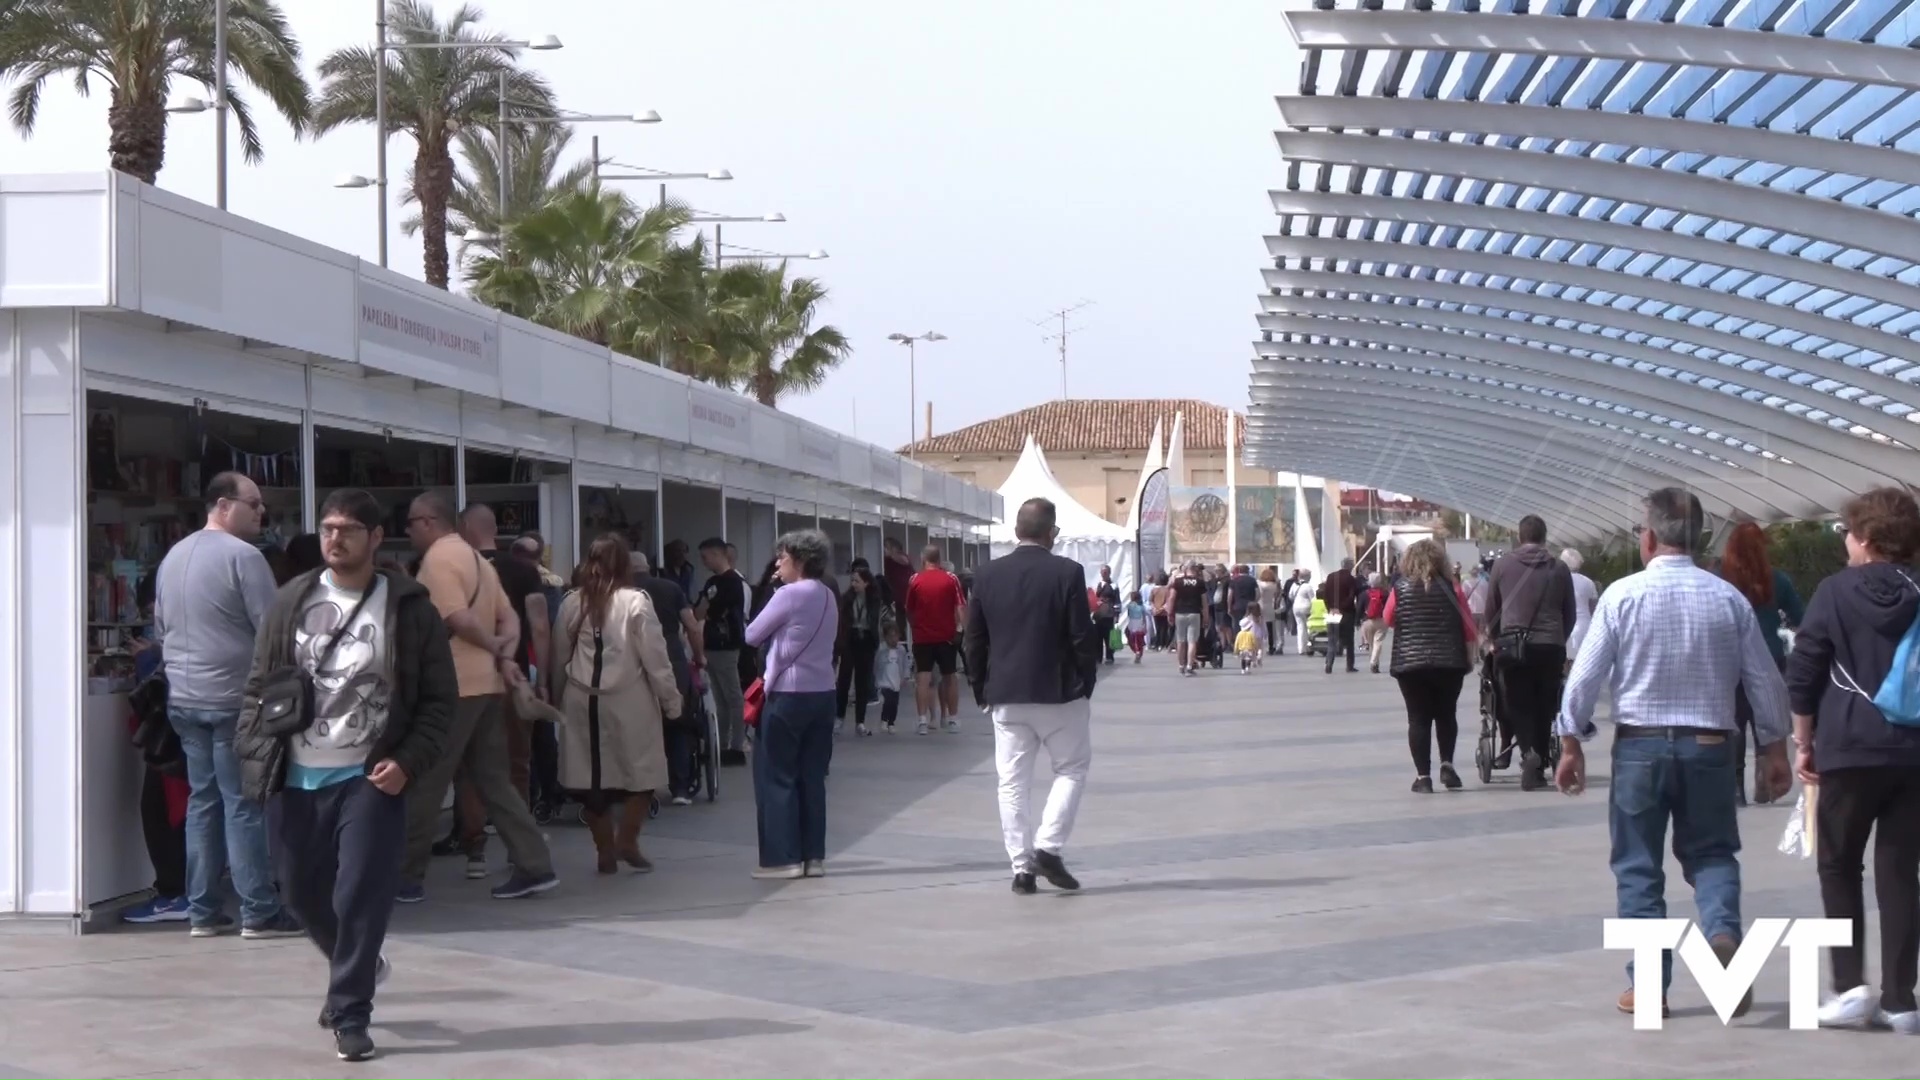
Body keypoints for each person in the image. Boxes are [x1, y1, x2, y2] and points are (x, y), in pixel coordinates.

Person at [235, 488, 458, 1063]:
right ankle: (359, 967)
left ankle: (351, 1011)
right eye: (328, 528)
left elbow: (439, 703)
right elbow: (259, 687)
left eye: (349, 529)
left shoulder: (410, 609)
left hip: (368, 777)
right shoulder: (290, 601)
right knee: (302, 895)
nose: (335, 539)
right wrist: (253, 752)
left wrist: (407, 761)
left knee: (359, 894)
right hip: (295, 773)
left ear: (376, 538)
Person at [1556, 487, 1792, 1020]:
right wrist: (1773, 748)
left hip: (1639, 745)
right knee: (1711, 853)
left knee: (1639, 866)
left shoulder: (1622, 596)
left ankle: (1650, 989)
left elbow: (1585, 677)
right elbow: (1764, 680)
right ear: (1700, 538)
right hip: (1711, 745)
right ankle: (1723, 933)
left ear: (1648, 537)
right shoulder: (1727, 598)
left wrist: (1571, 741)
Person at [1781, 488, 1920, 1030]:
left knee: (1839, 865)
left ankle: (1849, 988)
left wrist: (1803, 742)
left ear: (1864, 538)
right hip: (1914, 753)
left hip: (1846, 747)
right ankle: (1900, 999)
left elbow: (1806, 669)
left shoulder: (1835, 593)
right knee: (1900, 871)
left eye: (1847, 532)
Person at [152, 470, 302, 939]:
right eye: (253, 503)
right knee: (243, 804)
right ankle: (258, 909)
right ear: (222, 504)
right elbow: (271, 630)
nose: (262, 512)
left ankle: (202, 910)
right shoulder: (245, 557)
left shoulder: (173, 556)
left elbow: (160, 627)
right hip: (234, 698)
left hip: (185, 697)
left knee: (203, 802)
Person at [397, 491, 557, 902]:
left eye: (411, 523)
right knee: (494, 781)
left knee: (426, 780)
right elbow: (511, 617)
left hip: (453, 687)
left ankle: (404, 876)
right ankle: (534, 864)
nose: (408, 530)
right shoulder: (476, 562)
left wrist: (494, 647)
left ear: (429, 521)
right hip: (487, 687)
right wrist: (503, 652)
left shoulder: (438, 561)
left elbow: (455, 618)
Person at [964, 498, 1100, 895]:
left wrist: (980, 687)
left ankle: (1022, 868)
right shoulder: (1067, 572)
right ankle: (1048, 846)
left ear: (1017, 531)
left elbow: (974, 638)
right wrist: (1087, 681)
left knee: (1011, 782)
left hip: (1006, 693)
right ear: (1050, 532)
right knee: (1071, 768)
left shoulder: (987, 575)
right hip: (1059, 692)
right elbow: (1080, 634)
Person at [552, 536, 682, 876]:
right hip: (630, 699)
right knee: (642, 772)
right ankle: (628, 839)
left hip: (580, 699)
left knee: (590, 779)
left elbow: (558, 657)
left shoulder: (571, 602)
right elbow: (656, 658)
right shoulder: (636, 602)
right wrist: (671, 700)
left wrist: (554, 696)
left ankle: (604, 851)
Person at [450, 504, 550, 876]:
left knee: (467, 767)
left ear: (463, 528)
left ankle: (475, 851)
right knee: (517, 766)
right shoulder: (523, 571)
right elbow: (539, 626)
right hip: (512, 677)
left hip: (464, 681)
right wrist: (543, 679)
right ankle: (517, 849)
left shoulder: (452, 570)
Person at [746, 530, 840, 879]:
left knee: (776, 774)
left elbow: (751, 634)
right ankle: (813, 856)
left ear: (798, 560)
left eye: (782, 558)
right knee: (812, 776)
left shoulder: (787, 594)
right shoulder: (829, 594)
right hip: (823, 693)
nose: (778, 564)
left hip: (787, 694)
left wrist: (771, 590)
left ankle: (782, 857)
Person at [1485, 516, 1578, 791]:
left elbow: (1492, 610)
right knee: (1545, 704)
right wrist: (1558, 638)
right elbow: (1569, 613)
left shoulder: (1502, 566)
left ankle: (1528, 753)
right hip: (1550, 646)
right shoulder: (1559, 568)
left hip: (1513, 647)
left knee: (1517, 702)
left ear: (1519, 536)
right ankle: (1536, 764)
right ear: (1544, 537)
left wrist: (1492, 639)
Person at [1717, 523, 1806, 806]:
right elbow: (1800, 616)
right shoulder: (1776, 579)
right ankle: (1765, 781)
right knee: (1765, 721)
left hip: (1730, 659)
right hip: (1769, 656)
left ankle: (1734, 788)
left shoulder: (1720, 579)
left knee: (1735, 723)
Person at [1383, 540, 1475, 794]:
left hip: (1410, 665)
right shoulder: (1452, 588)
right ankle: (1447, 764)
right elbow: (1468, 626)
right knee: (1447, 714)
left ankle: (1423, 778)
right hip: (1449, 662)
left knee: (1418, 719)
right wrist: (1470, 655)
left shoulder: (1399, 588)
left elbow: (1388, 618)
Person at [632, 552, 705, 802]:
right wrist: (699, 657)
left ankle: (643, 786)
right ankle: (681, 787)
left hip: (633, 663)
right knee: (678, 722)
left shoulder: (619, 590)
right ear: (648, 567)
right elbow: (692, 625)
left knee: (639, 724)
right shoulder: (670, 588)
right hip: (672, 659)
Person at [694, 538, 750, 766]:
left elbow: (713, 609)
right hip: (712, 644)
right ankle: (723, 744)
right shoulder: (711, 582)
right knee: (720, 697)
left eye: (706, 557)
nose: (704, 562)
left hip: (727, 645)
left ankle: (736, 745)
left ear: (718, 555)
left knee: (733, 695)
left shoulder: (733, 582)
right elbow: (699, 611)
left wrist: (708, 608)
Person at [904, 545, 966, 734]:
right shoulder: (951, 579)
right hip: (946, 637)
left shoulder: (915, 579)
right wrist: (962, 629)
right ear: (939, 559)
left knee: (923, 678)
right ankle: (953, 719)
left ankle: (922, 720)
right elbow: (960, 606)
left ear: (923, 559)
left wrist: (915, 627)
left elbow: (909, 608)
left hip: (922, 637)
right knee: (950, 677)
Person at [835, 567, 883, 736]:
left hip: (867, 640)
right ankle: (839, 717)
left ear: (866, 582)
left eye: (857, 581)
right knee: (844, 679)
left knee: (863, 681)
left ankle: (860, 722)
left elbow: (875, 620)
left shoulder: (873, 600)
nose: (854, 584)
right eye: (852, 581)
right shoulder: (847, 599)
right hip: (851, 638)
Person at [1168, 561, 1209, 676]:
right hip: (1194, 613)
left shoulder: (1178, 581)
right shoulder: (1200, 583)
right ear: (1195, 569)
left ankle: (1181, 665)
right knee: (1192, 641)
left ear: (1185, 569)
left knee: (1180, 640)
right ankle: (1190, 666)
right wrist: (1206, 616)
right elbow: (1204, 601)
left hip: (1180, 613)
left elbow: (1171, 598)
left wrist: (1169, 613)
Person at [1561, 548, 1600, 667]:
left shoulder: (1560, 580)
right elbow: (1594, 608)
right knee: (1584, 663)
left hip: (1566, 625)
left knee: (1566, 663)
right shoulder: (1588, 582)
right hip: (1585, 625)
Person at [1320, 558, 1359, 674]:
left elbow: (1325, 595)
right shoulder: (1351, 579)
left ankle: (1329, 663)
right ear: (1350, 566)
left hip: (1332, 613)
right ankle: (1349, 665)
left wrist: (1330, 608)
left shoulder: (1331, 577)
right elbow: (1352, 596)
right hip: (1346, 613)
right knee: (1349, 641)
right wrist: (1342, 608)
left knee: (1332, 640)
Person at [876, 621, 910, 733]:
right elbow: (876, 664)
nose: (894, 639)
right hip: (884, 680)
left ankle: (891, 722)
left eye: (896, 636)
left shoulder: (901, 650)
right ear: (885, 637)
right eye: (891, 637)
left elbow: (905, 664)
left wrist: (905, 677)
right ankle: (884, 719)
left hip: (896, 679)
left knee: (894, 703)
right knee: (888, 700)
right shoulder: (881, 650)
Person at [1092, 566, 1122, 665]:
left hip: (1109, 613)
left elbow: (1117, 600)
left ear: (1109, 573)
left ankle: (1109, 656)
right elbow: (1096, 597)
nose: (1103, 574)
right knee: (1097, 637)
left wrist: (1117, 615)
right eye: (1102, 572)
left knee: (1108, 636)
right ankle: (1098, 657)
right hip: (1099, 614)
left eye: (1105, 572)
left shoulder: (1114, 585)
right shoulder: (1100, 584)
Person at [1362, 572, 1390, 674]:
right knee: (1378, 642)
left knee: (1371, 644)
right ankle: (1374, 663)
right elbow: (1389, 607)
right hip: (1381, 620)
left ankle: (1374, 663)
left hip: (1368, 621)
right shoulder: (1385, 593)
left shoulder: (1365, 593)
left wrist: (1358, 620)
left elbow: (1360, 607)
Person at [1257, 567, 1281, 655]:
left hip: (1261, 605)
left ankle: (1260, 645)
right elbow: (1277, 595)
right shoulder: (1274, 585)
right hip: (1270, 606)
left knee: (1260, 626)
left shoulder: (1260, 584)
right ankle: (1271, 646)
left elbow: (1258, 594)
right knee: (1270, 628)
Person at [1290, 570, 1314, 655]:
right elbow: (1312, 599)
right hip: (1306, 607)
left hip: (1296, 607)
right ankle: (1308, 647)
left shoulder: (1294, 585)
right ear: (1307, 577)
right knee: (1308, 627)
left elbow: (1291, 596)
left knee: (1300, 628)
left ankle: (1301, 649)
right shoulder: (1308, 586)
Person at [1123, 589, 1150, 664]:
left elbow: (1129, 615)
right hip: (1140, 623)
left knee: (1131, 639)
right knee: (1139, 641)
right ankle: (1139, 653)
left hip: (1132, 623)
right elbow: (1144, 616)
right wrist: (1145, 625)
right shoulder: (1142, 606)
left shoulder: (1130, 606)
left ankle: (1136, 651)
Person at [1235, 602, 1264, 673]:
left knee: (1251, 650)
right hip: (1258, 635)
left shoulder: (1247, 618)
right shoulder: (1260, 618)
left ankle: (1252, 661)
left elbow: (1241, 625)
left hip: (1250, 635)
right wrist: (1265, 634)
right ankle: (1257, 657)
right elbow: (1263, 627)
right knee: (1258, 649)